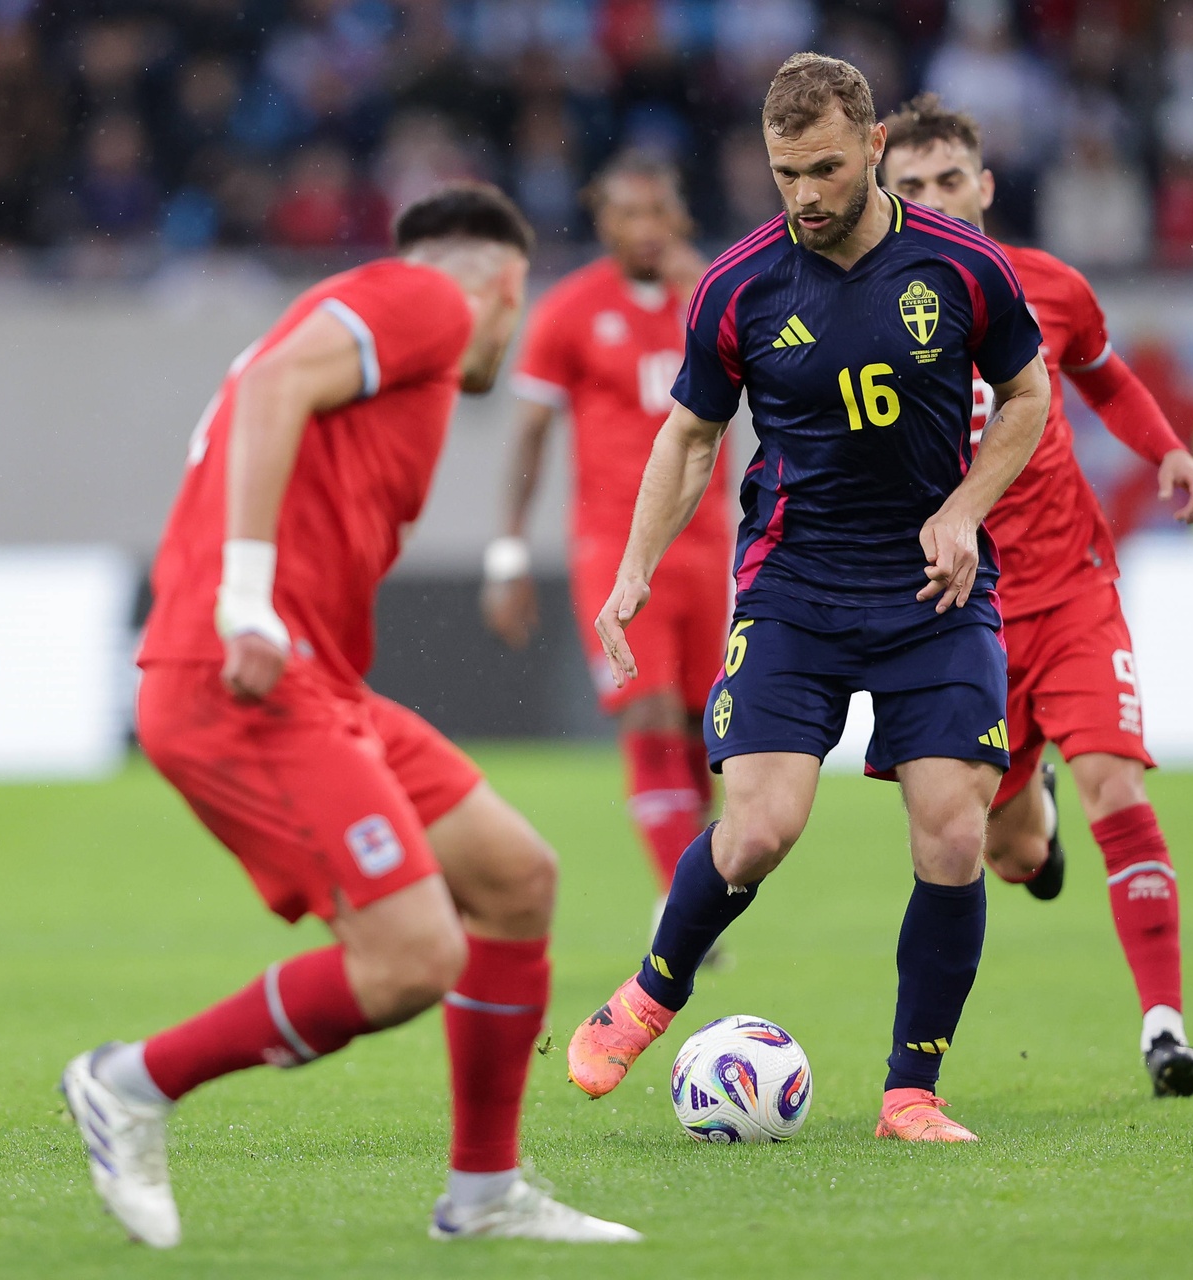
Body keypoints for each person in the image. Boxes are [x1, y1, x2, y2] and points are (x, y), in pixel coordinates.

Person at [60, 184, 641, 1247]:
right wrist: (245, 598)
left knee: (516, 878)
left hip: (316, 684)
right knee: (413, 956)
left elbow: (278, 391)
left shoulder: (379, 327)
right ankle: (131, 1082)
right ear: (506, 288)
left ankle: (484, 1192)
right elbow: (275, 385)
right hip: (238, 678)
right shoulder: (428, 300)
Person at [566, 54, 1051, 1144]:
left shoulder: (964, 267)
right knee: (758, 830)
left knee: (953, 833)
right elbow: (690, 434)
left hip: (936, 587)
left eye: (827, 167)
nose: (806, 195)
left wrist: (968, 505)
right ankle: (650, 990)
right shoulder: (739, 285)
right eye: (786, 171)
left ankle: (909, 1092)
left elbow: (1028, 391)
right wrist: (635, 569)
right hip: (794, 588)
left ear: (874, 149)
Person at [879, 93, 1193, 1096]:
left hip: (1072, 585)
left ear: (983, 186)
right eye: (912, 186)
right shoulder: (871, 303)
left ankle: (1164, 1027)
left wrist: (1169, 452)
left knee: (1119, 779)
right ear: (885, 197)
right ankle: (1038, 823)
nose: (935, 198)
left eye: (950, 181)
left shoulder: (1048, 288)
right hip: (956, 611)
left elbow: (1105, 376)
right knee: (1009, 849)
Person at [483, 150, 730, 928]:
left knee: (702, 727)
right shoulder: (570, 310)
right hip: (613, 547)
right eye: (629, 214)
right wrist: (509, 553)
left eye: (659, 212)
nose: (647, 229)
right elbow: (528, 437)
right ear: (603, 222)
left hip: (710, 541)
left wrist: (709, 293)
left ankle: (692, 883)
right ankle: (676, 899)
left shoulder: (713, 298)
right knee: (646, 708)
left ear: (679, 219)